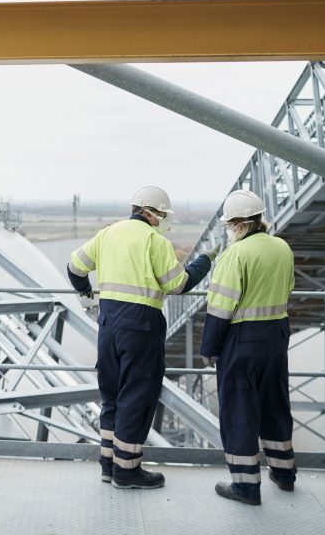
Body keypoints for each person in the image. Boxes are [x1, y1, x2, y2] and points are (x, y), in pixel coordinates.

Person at [67, 186, 212, 490]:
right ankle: (127, 471)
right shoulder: (154, 240)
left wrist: (85, 292)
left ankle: (108, 465)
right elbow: (178, 285)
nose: (162, 220)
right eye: (161, 214)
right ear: (150, 213)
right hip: (141, 326)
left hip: (107, 325)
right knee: (137, 396)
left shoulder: (107, 234)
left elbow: (74, 267)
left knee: (112, 395)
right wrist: (203, 263)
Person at [200, 189, 296, 506]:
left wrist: (209, 347)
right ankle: (284, 475)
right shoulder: (282, 247)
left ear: (237, 224)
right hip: (277, 336)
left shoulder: (235, 255)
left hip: (243, 340)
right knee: (274, 404)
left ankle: (245, 486)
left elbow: (220, 307)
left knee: (239, 410)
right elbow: (289, 287)